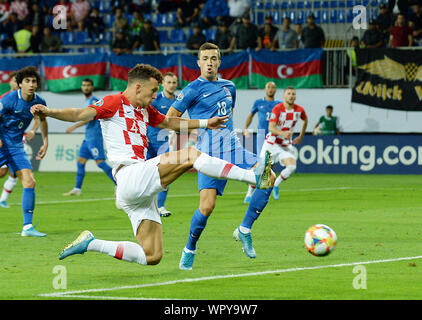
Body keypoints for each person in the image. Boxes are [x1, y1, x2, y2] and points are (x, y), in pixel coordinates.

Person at [31, 63, 274, 267]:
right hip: (130, 174)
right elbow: (78, 114)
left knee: (152, 256)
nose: (156, 95)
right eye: (154, 90)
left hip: (135, 192)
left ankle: (90, 243)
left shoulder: (145, 110)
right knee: (189, 154)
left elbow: (171, 122)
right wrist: (48, 111)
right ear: (138, 86)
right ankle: (253, 178)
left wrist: (204, 123)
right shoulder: (113, 102)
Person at [167, 42, 277, 270]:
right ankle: (190, 247)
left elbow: (230, 113)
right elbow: (170, 120)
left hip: (235, 149)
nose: (209, 62)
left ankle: (244, 229)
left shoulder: (230, 86)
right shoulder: (191, 90)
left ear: (219, 62)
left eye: (213, 58)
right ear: (198, 63)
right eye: (205, 58)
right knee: (206, 207)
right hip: (209, 156)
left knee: (268, 177)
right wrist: (201, 126)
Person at [0, 66, 48, 237]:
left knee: (29, 181)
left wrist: (45, 141)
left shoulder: (39, 101)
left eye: (34, 81)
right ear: (20, 84)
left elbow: (42, 119)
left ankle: (27, 227)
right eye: (27, 81)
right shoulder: (8, 99)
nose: (31, 84)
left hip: (16, 147)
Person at [63, 79, 116, 197]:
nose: (85, 87)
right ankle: (77, 189)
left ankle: (119, 184)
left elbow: (90, 118)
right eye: (84, 85)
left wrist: (74, 126)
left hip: (94, 138)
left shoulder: (94, 101)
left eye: (88, 85)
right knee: (80, 161)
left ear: (92, 87)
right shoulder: (87, 101)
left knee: (100, 162)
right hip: (87, 138)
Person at [260, 86, 308, 201]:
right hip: (271, 143)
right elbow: (271, 128)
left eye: (293, 94)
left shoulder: (299, 110)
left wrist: (301, 136)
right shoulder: (278, 108)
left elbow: (305, 120)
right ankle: (249, 194)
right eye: (289, 93)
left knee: (292, 166)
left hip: (285, 145)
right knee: (262, 170)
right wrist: (282, 133)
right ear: (284, 96)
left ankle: (276, 184)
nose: (291, 96)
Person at [146, 72, 178, 217]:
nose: (171, 85)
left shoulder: (178, 101)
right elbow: (144, 116)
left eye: (174, 82)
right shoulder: (156, 99)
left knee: (165, 173)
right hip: (149, 141)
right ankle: (146, 204)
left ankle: (161, 206)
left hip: (165, 143)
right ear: (163, 84)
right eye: (169, 82)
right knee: (146, 174)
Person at [243, 81, 280, 203]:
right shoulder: (259, 102)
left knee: (271, 164)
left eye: (273, 87)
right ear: (265, 89)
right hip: (262, 135)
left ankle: (269, 188)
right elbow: (250, 115)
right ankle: (250, 192)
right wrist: (246, 128)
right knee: (261, 163)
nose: (270, 89)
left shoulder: (279, 104)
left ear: (275, 90)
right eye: (268, 87)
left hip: (274, 136)